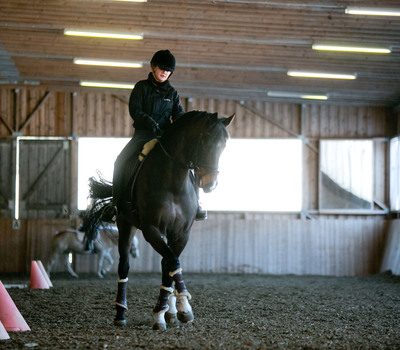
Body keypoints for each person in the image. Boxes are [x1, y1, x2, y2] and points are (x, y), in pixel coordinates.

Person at [112, 49, 207, 221]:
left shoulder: (172, 94)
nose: (164, 72)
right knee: (120, 161)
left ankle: (197, 203)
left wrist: (185, 125)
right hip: (143, 135)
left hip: (165, 136)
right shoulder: (141, 87)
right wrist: (151, 123)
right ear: (153, 67)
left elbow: (178, 115)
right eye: (161, 68)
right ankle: (115, 205)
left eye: (168, 69)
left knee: (189, 163)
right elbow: (135, 111)